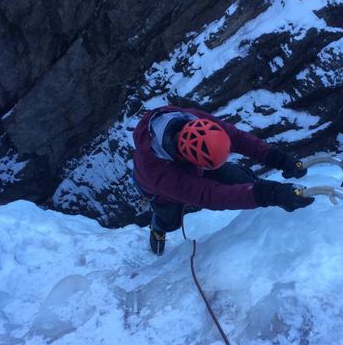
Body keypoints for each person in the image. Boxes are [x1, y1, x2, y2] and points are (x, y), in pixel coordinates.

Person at [132, 105, 314, 255]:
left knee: (238, 177)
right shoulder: (157, 172)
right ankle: (158, 228)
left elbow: (238, 138)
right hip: (157, 190)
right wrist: (269, 196)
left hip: (189, 162)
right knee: (171, 220)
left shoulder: (192, 119)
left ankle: (264, 189)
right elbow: (209, 195)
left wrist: (277, 158)